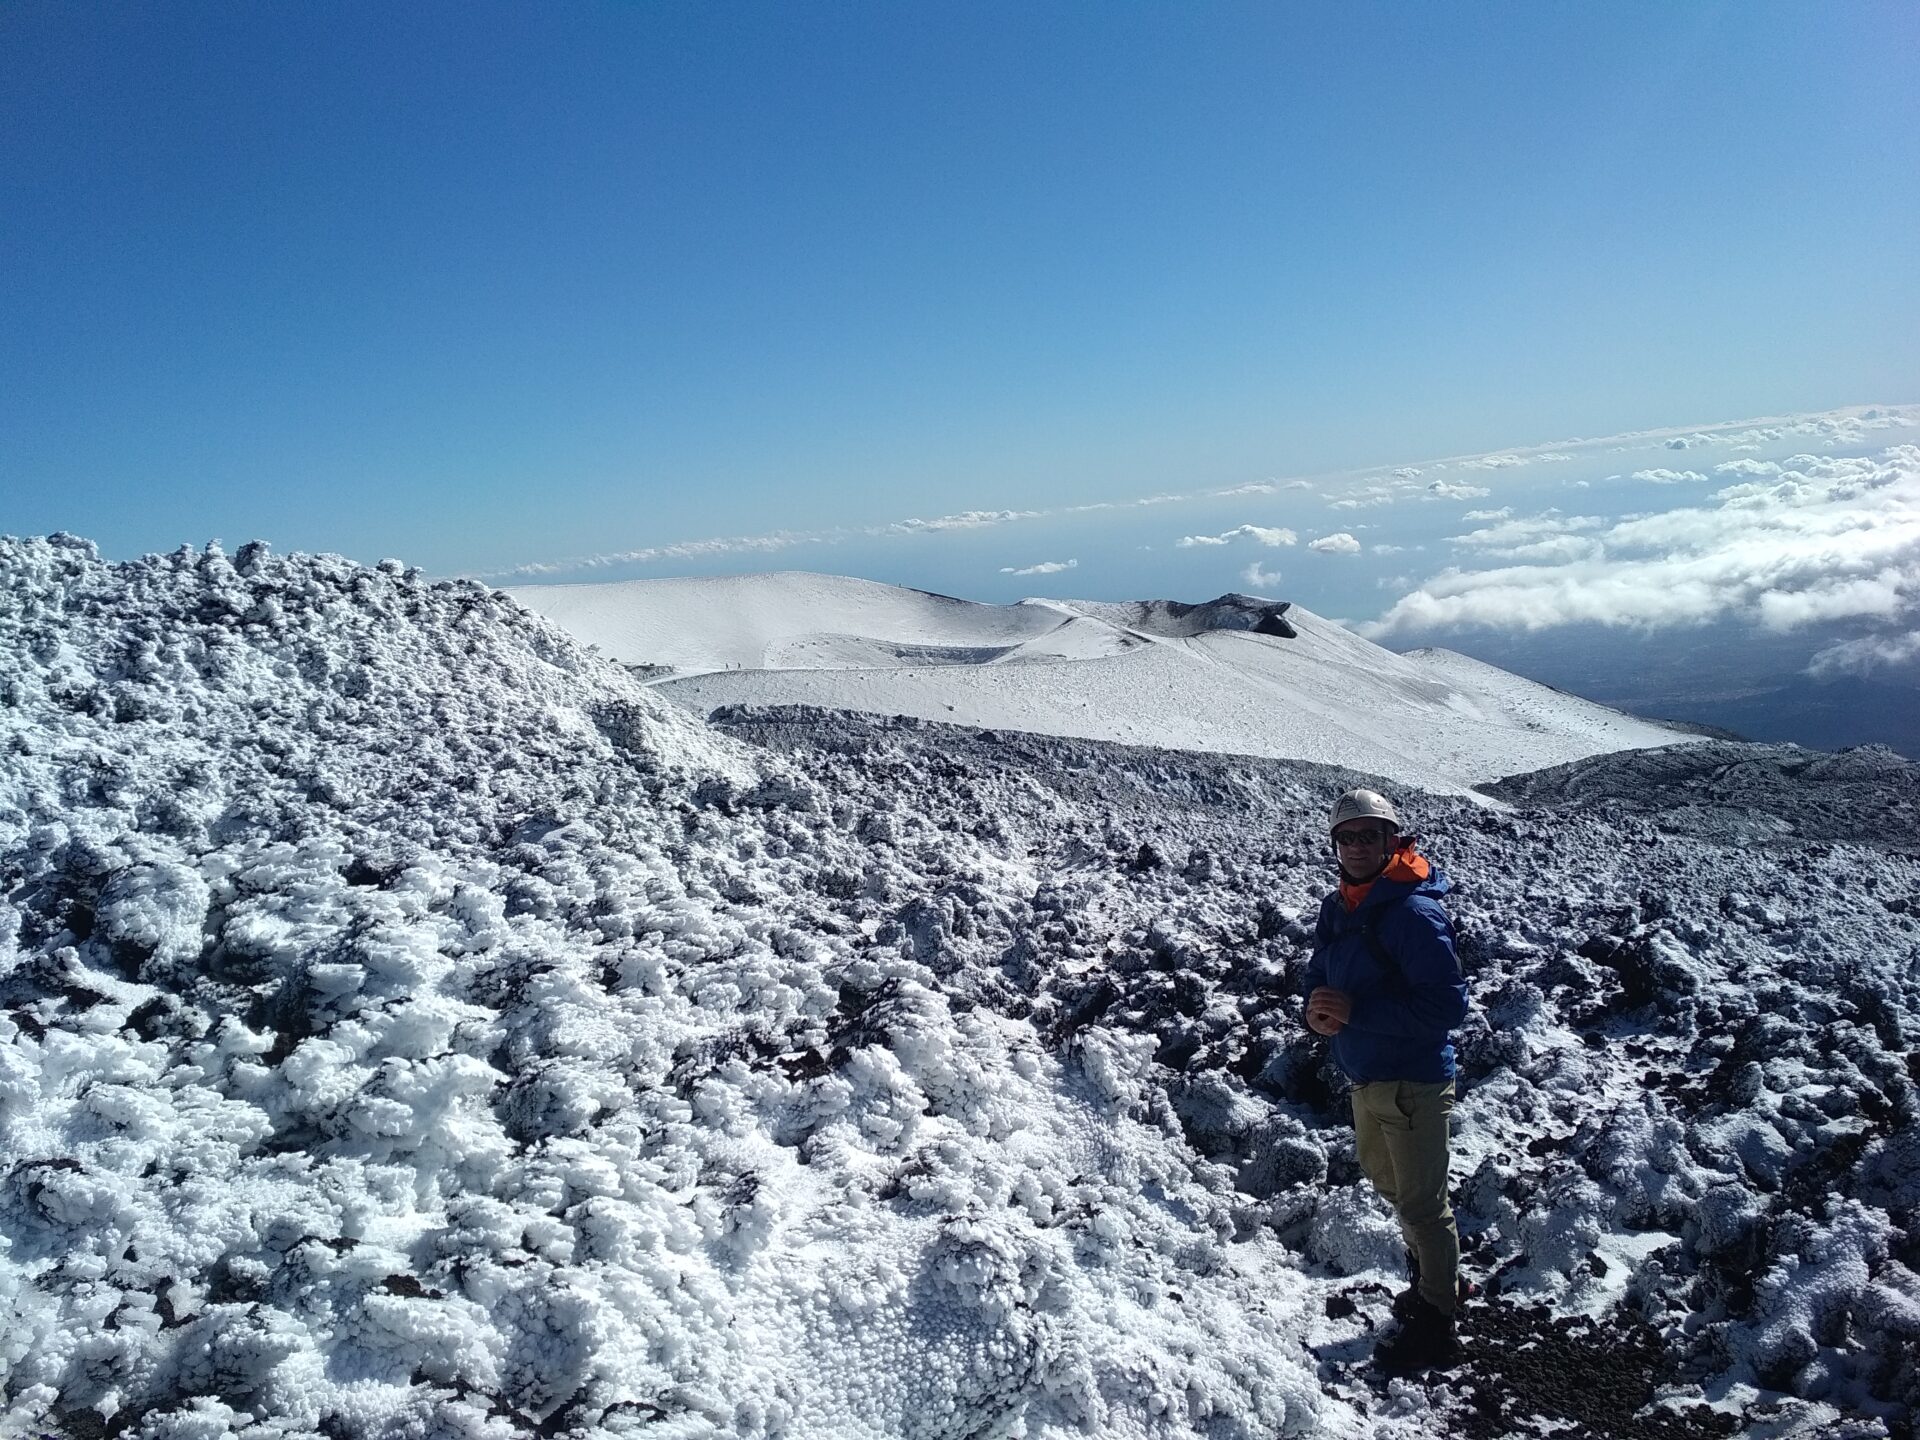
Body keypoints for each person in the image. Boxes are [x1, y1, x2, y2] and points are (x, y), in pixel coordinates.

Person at [1304, 787, 1470, 1372]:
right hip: (1366, 1077)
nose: (1355, 846)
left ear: (1393, 840)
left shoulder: (1413, 913)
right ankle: (1433, 1279)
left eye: (1367, 835)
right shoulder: (1341, 907)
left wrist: (1356, 1014)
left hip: (1413, 1082)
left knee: (1423, 1205)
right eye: (1345, 837)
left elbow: (1446, 1009)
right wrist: (1315, 1009)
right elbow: (1320, 971)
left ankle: (1437, 1322)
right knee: (1391, 1186)